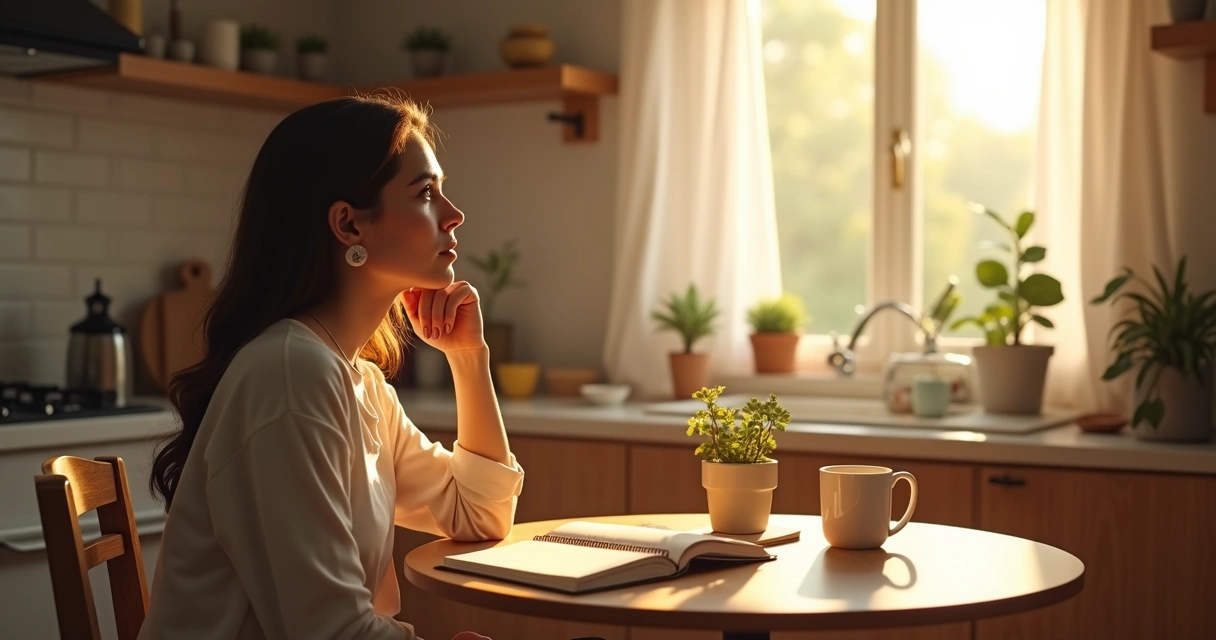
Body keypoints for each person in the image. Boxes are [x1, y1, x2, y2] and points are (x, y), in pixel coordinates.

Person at [139, 93, 522, 640]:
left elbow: (478, 513)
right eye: (426, 193)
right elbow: (329, 631)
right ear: (349, 225)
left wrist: (469, 358)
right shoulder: (291, 375)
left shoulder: (355, 380)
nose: (454, 214)